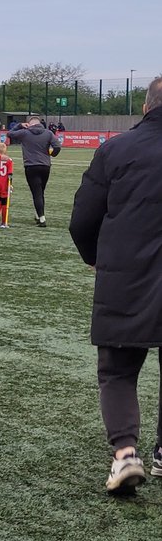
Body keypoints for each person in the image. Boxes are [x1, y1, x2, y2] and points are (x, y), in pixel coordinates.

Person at [69, 75, 162, 492]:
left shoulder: (115, 149)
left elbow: (83, 218)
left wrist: (94, 258)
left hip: (128, 272)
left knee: (118, 369)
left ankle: (125, 453)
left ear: (145, 107)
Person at [7, 117, 62, 227]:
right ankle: (38, 214)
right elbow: (57, 146)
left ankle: (42, 218)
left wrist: (19, 125)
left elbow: (9, 133)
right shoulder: (48, 133)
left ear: (29, 124)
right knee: (41, 192)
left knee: (36, 193)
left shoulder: (24, 133)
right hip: (45, 166)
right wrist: (52, 154)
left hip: (31, 166)